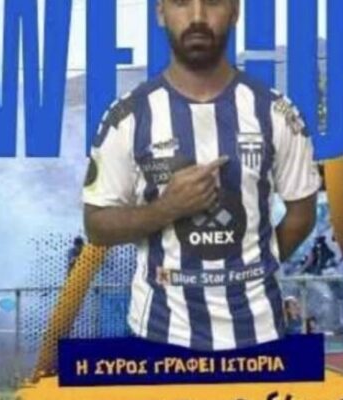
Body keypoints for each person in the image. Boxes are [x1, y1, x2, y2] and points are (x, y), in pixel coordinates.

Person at [82, 0, 320, 351]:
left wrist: (251, 268)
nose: (197, 17)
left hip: (260, 335)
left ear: (235, 11)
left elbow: (302, 214)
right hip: (158, 336)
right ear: (161, 12)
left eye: (212, 2)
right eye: (181, 3)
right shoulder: (128, 116)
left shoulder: (275, 112)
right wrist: (167, 209)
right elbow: (96, 226)